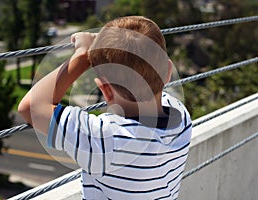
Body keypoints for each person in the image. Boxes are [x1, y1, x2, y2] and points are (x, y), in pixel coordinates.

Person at [18, 16, 192, 200]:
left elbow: (30, 107)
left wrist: (82, 57)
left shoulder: (105, 141)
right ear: (168, 73)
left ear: (105, 91)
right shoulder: (181, 117)